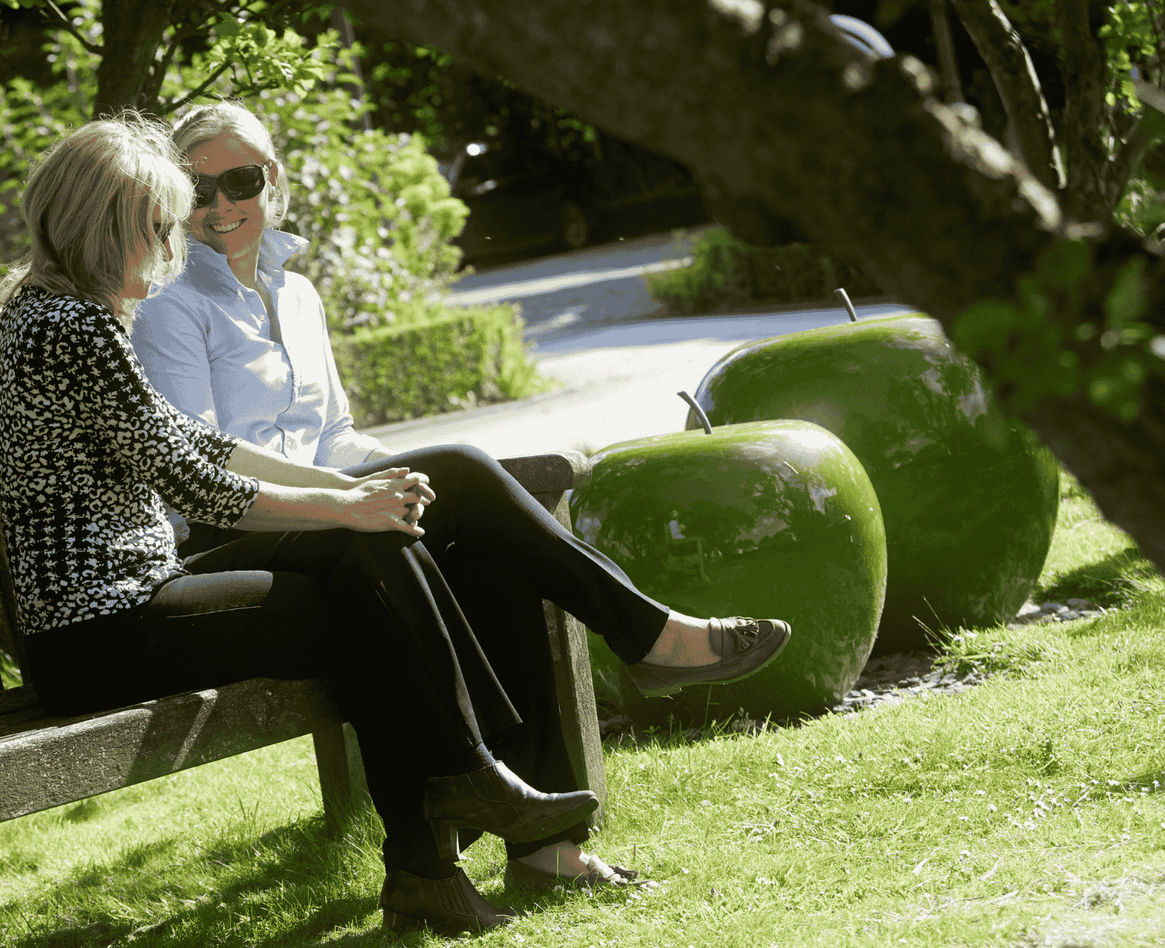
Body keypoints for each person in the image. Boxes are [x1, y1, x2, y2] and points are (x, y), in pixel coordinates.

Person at [130, 100, 795, 892]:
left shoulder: (298, 295)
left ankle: (549, 853)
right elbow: (204, 478)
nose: (219, 206)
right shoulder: (171, 306)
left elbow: (337, 435)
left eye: (237, 180)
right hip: (236, 539)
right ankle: (649, 633)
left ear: (272, 179)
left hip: (338, 525)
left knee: (490, 558)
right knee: (466, 472)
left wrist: (401, 483)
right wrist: (363, 497)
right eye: (196, 190)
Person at [0, 116, 621, 936]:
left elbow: (200, 443)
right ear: (104, 224)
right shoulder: (67, 327)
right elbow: (197, 485)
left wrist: (342, 488)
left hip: (135, 599)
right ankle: (451, 813)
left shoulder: (60, 314)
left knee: (368, 566)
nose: (171, 250)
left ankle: (455, 815)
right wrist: (346, 505)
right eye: (157, 229)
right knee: (365, 598)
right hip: (98, 631)